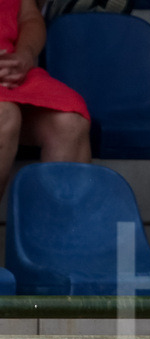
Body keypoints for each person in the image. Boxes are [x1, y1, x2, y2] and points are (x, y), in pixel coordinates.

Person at [0, 0, 91, 201]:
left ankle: (60, 228)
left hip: (10, 68)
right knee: (4, 115)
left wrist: (24, 54)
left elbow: (29, 18)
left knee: (69, 121)